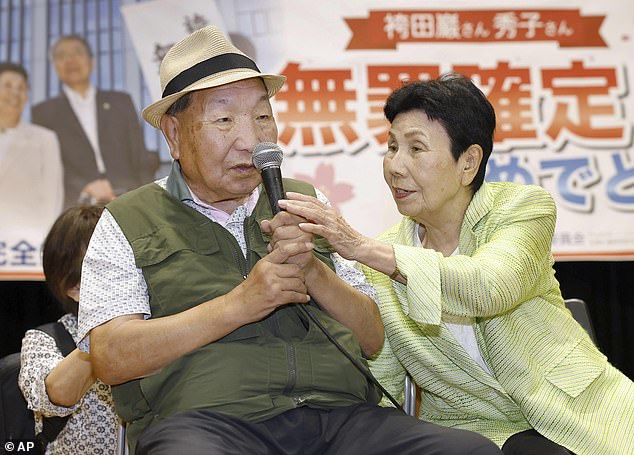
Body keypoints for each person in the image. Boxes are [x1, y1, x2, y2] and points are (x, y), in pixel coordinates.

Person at [76, 26, 500, 455]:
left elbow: (372, 336)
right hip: (209, 426)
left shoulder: (306, 201)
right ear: (172, 134)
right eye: (224, 120)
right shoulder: (126, 220)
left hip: (340, 419)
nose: (252, 139)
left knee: (471, 451)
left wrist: (312, 270)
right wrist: (241, 303)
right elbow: (110, 356)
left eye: (262, 117)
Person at [278, 74, 634, 455]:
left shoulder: (522, 208)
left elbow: (492, 287)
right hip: (472, 432)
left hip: (574, 409)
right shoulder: (380, 257)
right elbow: (385, 381)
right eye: (392, 147)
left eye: (416, 149)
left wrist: (358, 246)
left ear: (468, 162)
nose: (395, 166)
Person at [19, 205, 121, 454]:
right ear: (74, 287)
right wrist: (104, 331)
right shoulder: (44, 340)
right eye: (105, 266)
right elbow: (56, 396)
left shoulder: (158, 326)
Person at [31, 35, 155, 209]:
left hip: (129, 198)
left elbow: (139, 155)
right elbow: (46, 167)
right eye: (61, 56)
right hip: (76, 205)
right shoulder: (43, 113)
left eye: (77, 53)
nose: (70, 60)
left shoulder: (121, 102)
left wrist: (147, 199)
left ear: (92, 62)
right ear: (55, 66)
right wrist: (84, 188)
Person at [0, 62, 63, 249]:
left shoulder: (45, 139)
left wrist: (42, 243)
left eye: (21, 88)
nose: (15, 93)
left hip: (23, 246)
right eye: (8, 86)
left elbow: (52, 196)